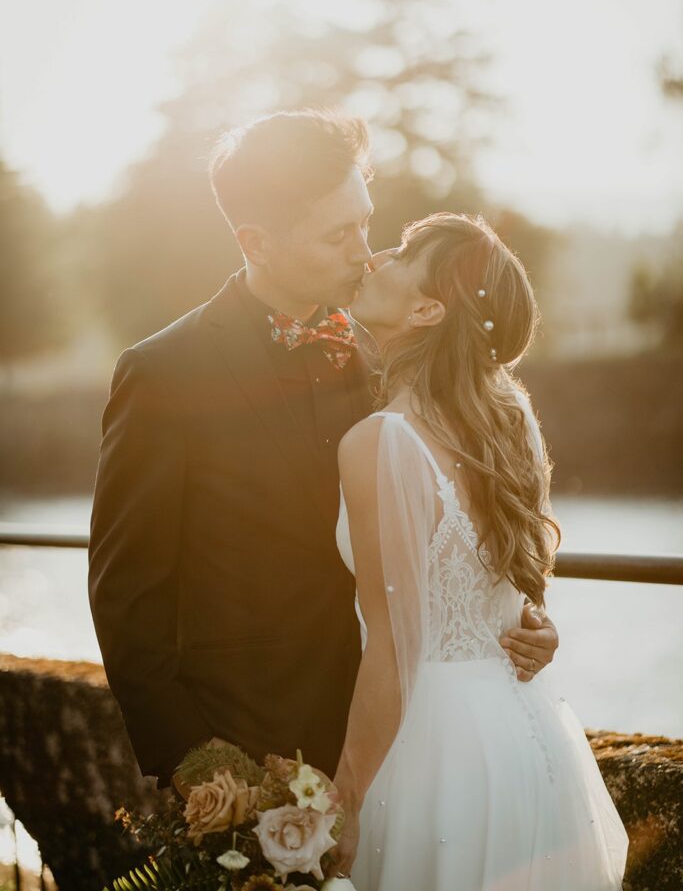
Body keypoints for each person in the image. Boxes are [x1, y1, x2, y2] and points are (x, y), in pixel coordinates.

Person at [88, 109, 559, 797]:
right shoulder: (164, 372)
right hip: (248, 747)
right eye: (340, 234)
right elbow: (127, 598)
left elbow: (464, 517)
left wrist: (521, 622)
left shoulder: (395, 356)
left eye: (365, 224)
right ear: (257, 241)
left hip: (407, 742)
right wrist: (198, 766)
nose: (365, 253)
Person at [329, 212, 628, 889]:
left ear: (428, 308)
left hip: (436, 750)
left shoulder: (379, 443)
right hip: (526, 735)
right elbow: (503, 582)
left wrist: (340, 802)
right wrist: (532, 624)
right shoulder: (511, 419)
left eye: (402, 253)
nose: (376, 257)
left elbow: (393, 649)